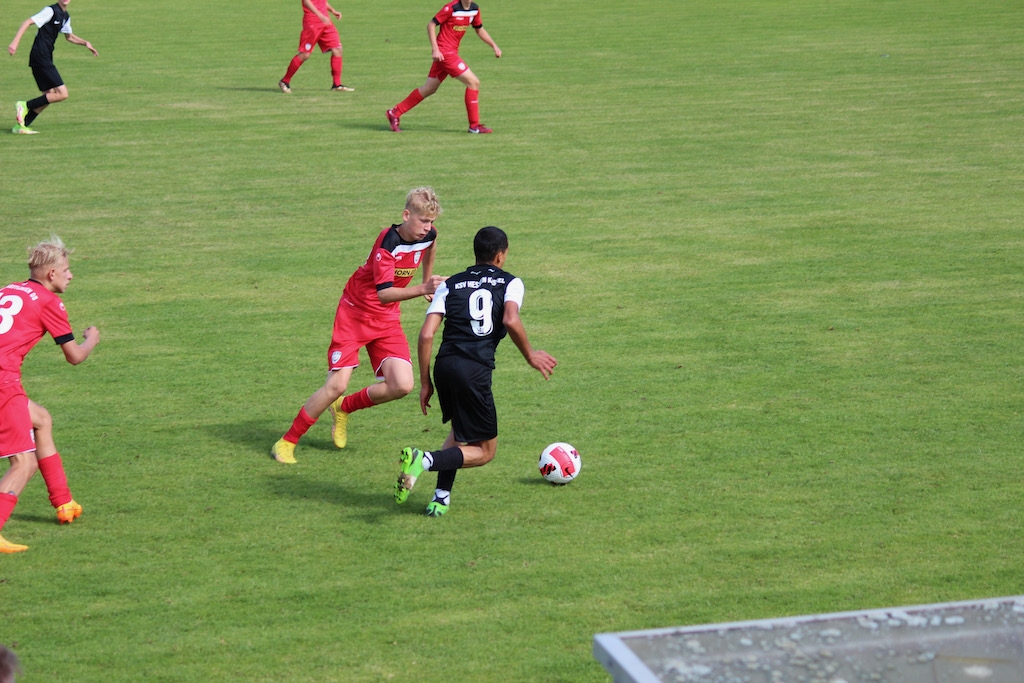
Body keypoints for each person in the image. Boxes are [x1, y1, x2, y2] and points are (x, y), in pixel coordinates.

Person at [271, 188, 446, 464]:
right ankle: (287, 441)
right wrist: (423, 288)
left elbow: (430, 247)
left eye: (431, 221)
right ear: (406, 215)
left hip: (386, 318)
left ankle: (344, 408)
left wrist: (427, 279)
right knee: (336, 386)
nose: (428, 227)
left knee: (402, 385)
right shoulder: (388, 243)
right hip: (355, 314)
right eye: (423, 220)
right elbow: (384, 293)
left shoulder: (429, 235)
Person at [395, 226, 557, 516]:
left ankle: (440, 497)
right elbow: (510, 319)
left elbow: (426, 335)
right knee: (484, 451)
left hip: (445, 366)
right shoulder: (511, 283)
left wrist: (426, 382)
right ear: (500, 255)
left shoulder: (450, 284)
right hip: (474, 371)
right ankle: (425, 460)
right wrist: (530, 355)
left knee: (459, 431)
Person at [1, 237, 100, 553]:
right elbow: (74, 356)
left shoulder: (9, 290)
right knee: (23, 463)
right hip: (2, 383)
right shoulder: (49, 302)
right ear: (51, 274)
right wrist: (92, 339)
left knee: (41, 419)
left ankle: (63, 501)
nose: (70, 275)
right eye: (66, 270)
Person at [385, 0, 501, 134]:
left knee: (429, 88)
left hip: (449, 53)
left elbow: (479, 28)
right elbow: (431, 25)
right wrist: (435, 49)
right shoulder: (451, 8)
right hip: (445, 53)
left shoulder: (474, 9)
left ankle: (395, 112)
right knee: (473, 82)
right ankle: (474, 126)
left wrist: (494, 46)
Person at [7, 0, 98, 135]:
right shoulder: (50, 11)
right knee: (62, 93)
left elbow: (69, 37)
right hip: (40, 56)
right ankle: (24, 105)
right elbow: (27, 22)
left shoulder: (65, 16)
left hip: (45, 57)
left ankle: (21, 126)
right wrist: (15, 42)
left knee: (48, 96)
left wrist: (85, 43)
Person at [278, 0, 353, 93]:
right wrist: (320, 15)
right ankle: (285, 81)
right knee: (305, 54)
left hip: (325, 21)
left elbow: (321, 1)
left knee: (337, 49)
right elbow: (306, 1)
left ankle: (337, 84)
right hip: (312, 22)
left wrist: (333, 10)